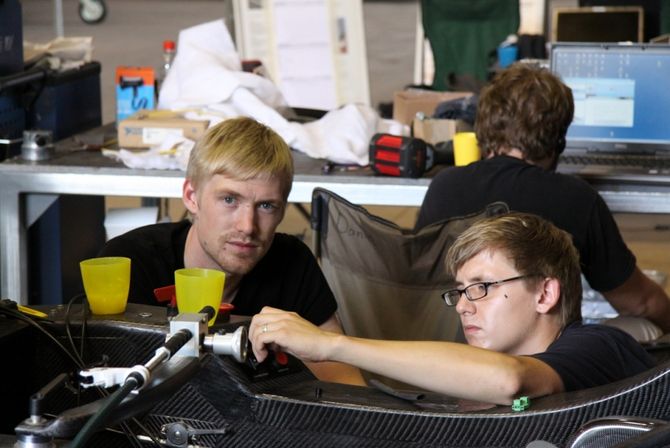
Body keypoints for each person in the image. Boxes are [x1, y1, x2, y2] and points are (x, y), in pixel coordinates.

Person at [248, 213, 655, 404]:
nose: (462, 306)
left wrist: (330, 345)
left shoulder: (599, 346)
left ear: (546, 294)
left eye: (481, 287)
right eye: (460, 291)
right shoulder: (483, 376)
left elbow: (511, 380)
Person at [100, 117, 364, 385]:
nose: (247, 226)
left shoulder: (293, 263)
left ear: (283, 210)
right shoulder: (132, 263)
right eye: (229, 200)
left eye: (266, 206)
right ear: (192, 196)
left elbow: (347, 389)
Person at [415, 63, 670, 336]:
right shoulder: (576, 197)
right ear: (558, 140)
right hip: (547, 365)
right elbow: (639, 302)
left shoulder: (444, 185)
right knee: (640, 328)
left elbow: (416, 283)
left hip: (447, 354)